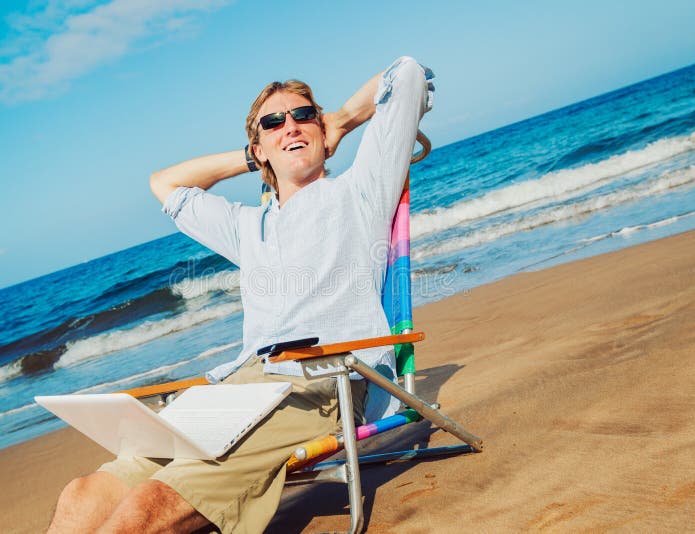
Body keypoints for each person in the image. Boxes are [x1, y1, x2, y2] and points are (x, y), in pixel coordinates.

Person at [47, 56, 434, 534]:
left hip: (317, 382)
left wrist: (341, 120)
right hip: (233, 391)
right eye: (274, 123)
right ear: (259, 148)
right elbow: (164, 184)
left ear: (322, 127)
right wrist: (254, 156)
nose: (291, 126)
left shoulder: (361, 192)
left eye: (303, 115)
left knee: (149, 504)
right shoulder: (247, 227)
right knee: (82, 494)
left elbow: (408, 74)